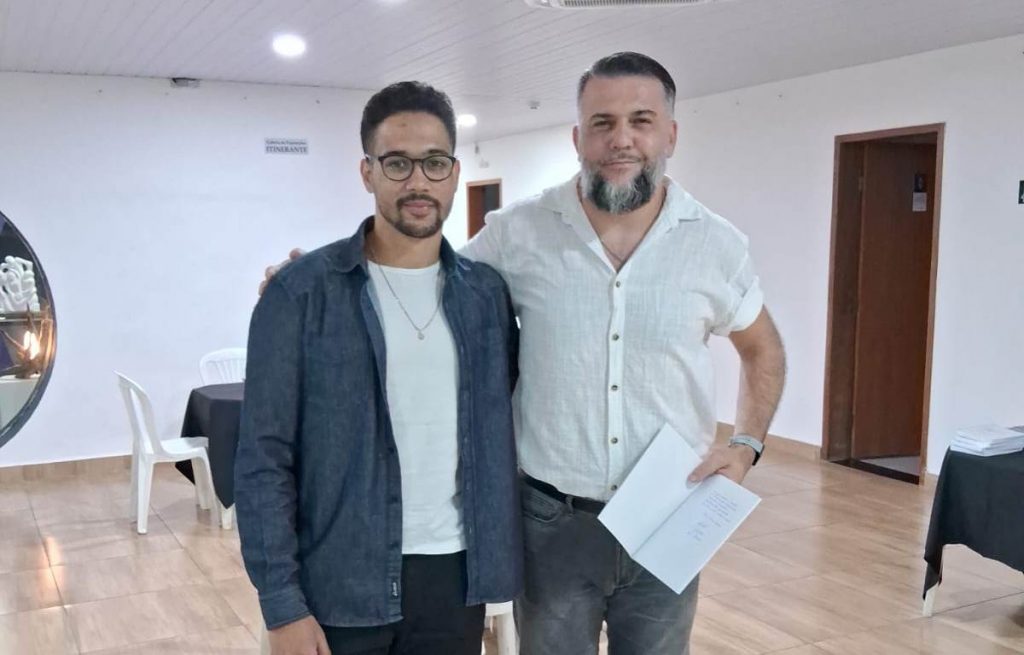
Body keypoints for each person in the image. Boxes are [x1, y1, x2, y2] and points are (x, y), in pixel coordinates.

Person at [263, 52, 785, 655]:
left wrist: (745, 445)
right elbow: (419, 269)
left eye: (640, 121)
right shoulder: (520, 233)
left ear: (670, 134)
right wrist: (316, 277)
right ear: (578, 139)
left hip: (669, 516)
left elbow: (763, 349)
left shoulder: (716, 245)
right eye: (602, 123)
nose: (621, 140)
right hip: (551, 523)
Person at [236, 81, 522, 655]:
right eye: (397, 163)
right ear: (367, 173)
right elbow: (264, 460)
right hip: (340, 577)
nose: (418, 181)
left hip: (455, 577)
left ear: (454, 173)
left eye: (434, 162)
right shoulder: (301, 295)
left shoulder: (486, 296)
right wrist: (282, 605)